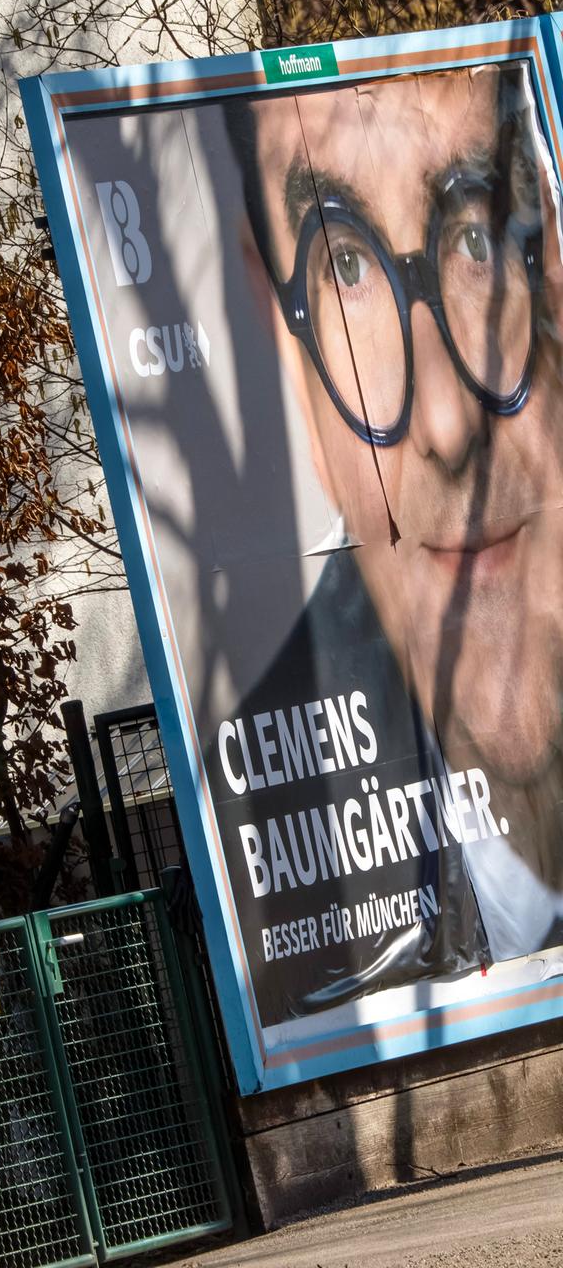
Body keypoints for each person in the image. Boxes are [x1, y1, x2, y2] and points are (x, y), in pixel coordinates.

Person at [218, 61, 563, 1019]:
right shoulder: (258, 827)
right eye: (348, 268)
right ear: (280, 342)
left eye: (478, 236)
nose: (447, 423)